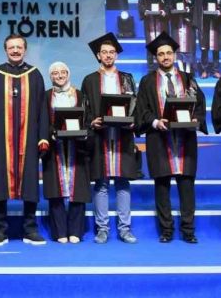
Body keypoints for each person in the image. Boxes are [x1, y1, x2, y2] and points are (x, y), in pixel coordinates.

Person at [136, 32, 207, 244]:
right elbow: (142, 109)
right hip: (159, 140)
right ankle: (166, 230)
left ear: (174, 55)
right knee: (162, 186)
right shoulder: (147, 81)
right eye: (161, 54)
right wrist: (154, 122)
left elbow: (200, 103)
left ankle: (188, 230)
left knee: (186, 185)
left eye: (168, 53)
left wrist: (195, 119)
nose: (165, 57)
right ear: (156, 57)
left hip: (185, 140)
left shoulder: (188, 79)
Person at [0, 34, 50, 246]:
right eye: (11, 47)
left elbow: (42, 109)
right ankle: (0, 229)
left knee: (30, 183)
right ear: (5, 50)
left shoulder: (35, 75)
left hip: (29, 138)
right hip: (2, 139)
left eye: (19, 47)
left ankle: (30, 229)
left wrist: (43, 137)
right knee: (0, 183)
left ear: (25, 50)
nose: (15, 51)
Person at [81, 33, 139, 244]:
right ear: (98, 55)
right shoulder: (89, 80)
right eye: (104, 52)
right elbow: (85, 109)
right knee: (101, 183)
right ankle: (102, 229)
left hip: (123, 137)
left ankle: (124, 229)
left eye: (111, 52)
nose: (108, 55)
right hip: (101, 137)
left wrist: (133, 121)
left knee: (123, 182)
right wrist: (91, 122)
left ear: (116, 55)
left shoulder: (127, 78)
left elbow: (136, 105)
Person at [43, 61, 90, 244]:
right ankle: (60, 231)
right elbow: (42, 120)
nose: (60, 75)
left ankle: (76, 231)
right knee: (55, 190)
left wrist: (84, 133)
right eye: (55, 73)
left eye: (63, 72)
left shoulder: (80, 95)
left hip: (76, 148)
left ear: (68, 74)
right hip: (54, 148)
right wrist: (51, 133)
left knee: (78, 189)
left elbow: (87, 118)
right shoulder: (46, 96)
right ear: (50, 77)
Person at [137, 0, 169, 71]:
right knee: (150, 44)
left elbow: (168, 3)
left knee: (162, 44)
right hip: (149, 21)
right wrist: (144, 11)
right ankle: (151, 69)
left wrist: (165, 11)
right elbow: (140, 3)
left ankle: (163, 67)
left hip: (161, 21)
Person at [193, 0, 221, 79]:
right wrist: (197, 24)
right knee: (204, 48)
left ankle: (215, 70)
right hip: (204, 23)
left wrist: (219, 12)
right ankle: (204, 69)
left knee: (216, 47)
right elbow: (196, 9)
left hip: (215, 23)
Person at [169, 0, 196, 74]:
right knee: (178, 45)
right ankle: (180, 68)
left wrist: (189, 9)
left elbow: (194, 6)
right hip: (177, 22)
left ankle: (188, 68)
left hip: (187, 22)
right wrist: (174, 10)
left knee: (189, 46)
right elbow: (170, 6)